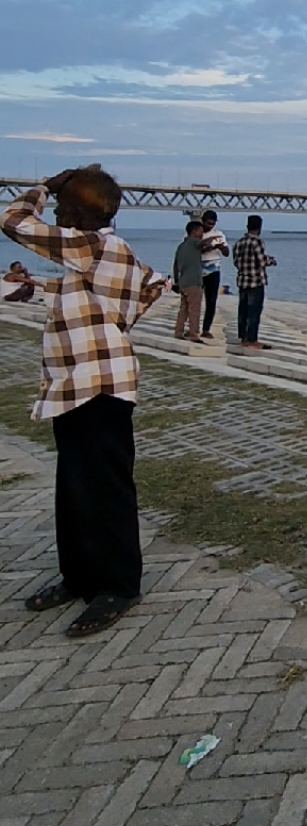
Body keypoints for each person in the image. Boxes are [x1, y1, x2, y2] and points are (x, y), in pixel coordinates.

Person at [1, 164, 166, 637]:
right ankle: (78, 576)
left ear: (77, 210)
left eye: (60, 203)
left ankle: (117, 585)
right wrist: (42, 290)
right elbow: (141, 289)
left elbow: (12, 221)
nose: (54, 208)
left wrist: (38, 188)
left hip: (100, 384)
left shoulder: (95, 245)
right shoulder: (98, 254)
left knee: (106, 488)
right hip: (73, 383)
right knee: (75, 486)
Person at [232, 214, 277, 349]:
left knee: (243, 311)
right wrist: (271, 260)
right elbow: (262, 261)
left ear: (247, 226)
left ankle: (243, 338)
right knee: (254, 311)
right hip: (256, 281)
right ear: (259, 228)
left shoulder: (238, 243)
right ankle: (252, 339)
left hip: (242, 281)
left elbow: (236, 262)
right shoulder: (257, 242)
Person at [171, 219, 206, 343]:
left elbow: (175, 265)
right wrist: (216, 242)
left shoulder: (181, 246)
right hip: (193, 281)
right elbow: (204, 244)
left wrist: (176, 281)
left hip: (183, 281)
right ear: (194, 232)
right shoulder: (194, 242)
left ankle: (178, 331)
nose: (202, 234)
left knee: (183, 309)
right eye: (201, 231)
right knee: (194, 309)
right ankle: (194, 334)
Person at [197, 210, 228, 339]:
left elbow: (226, 253)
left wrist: (221, 247)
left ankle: (206, 329)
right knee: (195, 301)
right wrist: (210, 247)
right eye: (208, 223)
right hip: (198, 269)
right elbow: (195, 249)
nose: (210, 226)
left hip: (214, 270)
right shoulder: (197, 233)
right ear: (203, 221)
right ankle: (192, 327)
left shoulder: (219, 234)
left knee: (211, 301)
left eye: (213, 224)